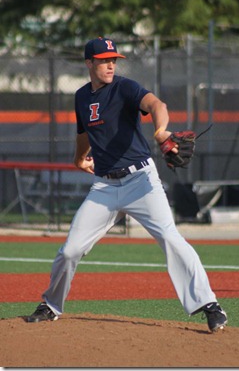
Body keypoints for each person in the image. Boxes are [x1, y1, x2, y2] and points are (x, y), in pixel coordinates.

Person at [27, 37, 227, 332]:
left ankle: (209, 304)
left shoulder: (125, 87)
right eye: (104, 60)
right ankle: (51, 305)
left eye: (113, 60)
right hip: (104, 187)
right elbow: (84, 132)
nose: (110, 64)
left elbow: (157, 104)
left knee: (171, 239)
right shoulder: (82, 96)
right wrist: (79, 159)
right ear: (89, 63)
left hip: (141, 181)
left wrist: (160, 131)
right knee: (69, 250)